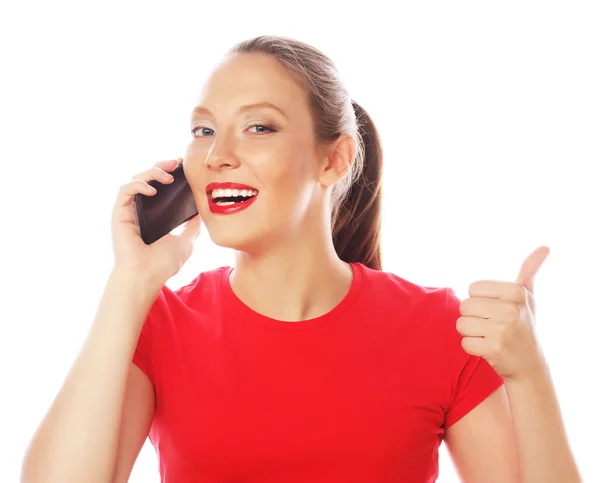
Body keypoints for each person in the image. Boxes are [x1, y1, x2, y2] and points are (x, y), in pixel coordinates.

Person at [21, 35, 519, 483]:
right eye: (203, 130)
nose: (217, 155)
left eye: (258, 127)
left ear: (333, 160)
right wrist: (130, 280)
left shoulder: (443, 328)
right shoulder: (158, 324)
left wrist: (529, 373)